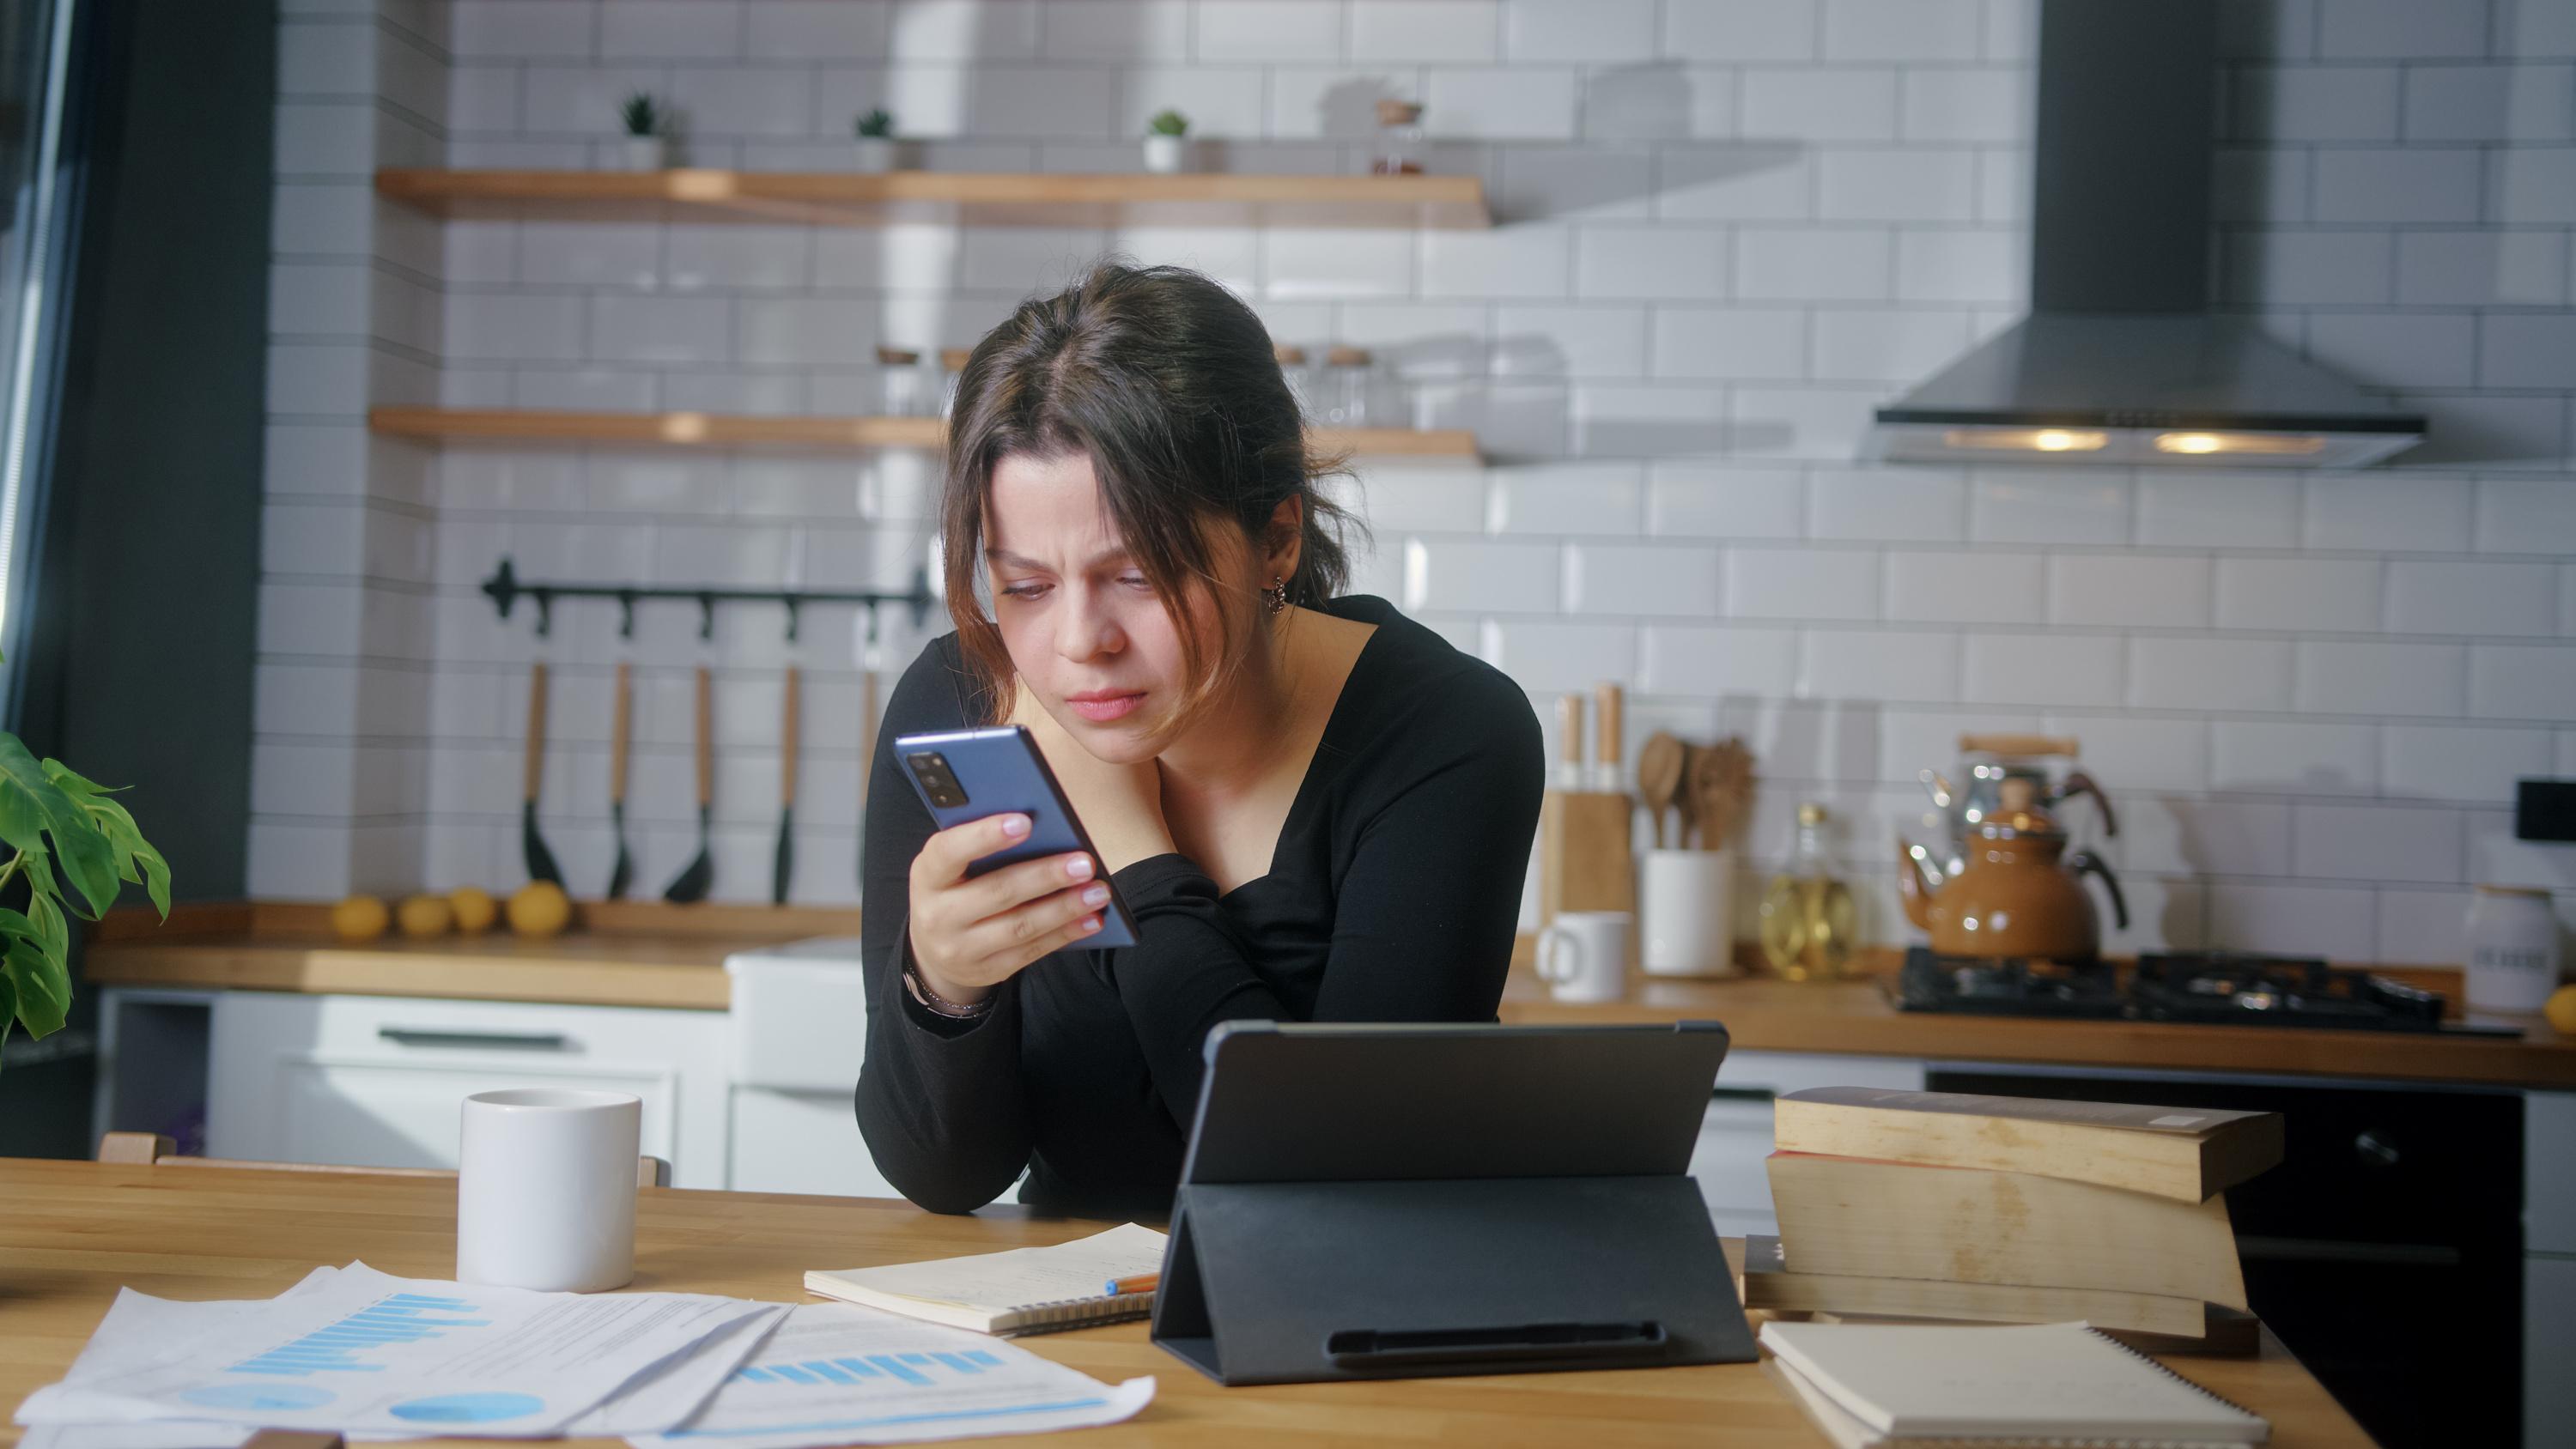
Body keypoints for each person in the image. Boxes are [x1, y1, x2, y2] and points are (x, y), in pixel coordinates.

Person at [857, 263, 1544, 1218]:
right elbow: (942, 1174)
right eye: (1024, 586)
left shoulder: (1442, 736)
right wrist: (943, 987)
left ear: (1275, 538)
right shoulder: (961, 698)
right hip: (1063, 1326)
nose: (1078, 642)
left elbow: (1329, 1181)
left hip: (1342, 1334)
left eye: (1137, 574)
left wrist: (1132, 851)